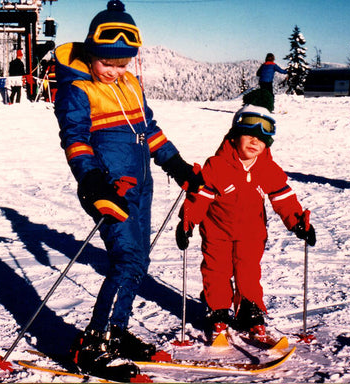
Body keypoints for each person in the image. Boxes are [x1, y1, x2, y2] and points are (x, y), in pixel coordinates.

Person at [53, 0, 204, 381]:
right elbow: (75, 140)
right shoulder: (78, 90)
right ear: (91, 53)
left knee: (138, 263)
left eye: (123, 64)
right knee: (126, 261)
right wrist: (91, 181)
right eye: (108, 63)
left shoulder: (130, 85)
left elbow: (149, 130)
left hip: (142, 188)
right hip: (110, 189)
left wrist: (177, 165)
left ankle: (115, 332)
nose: (115, 72)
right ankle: (95, 342)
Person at [175, 89, 316, 344]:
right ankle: (218, 309)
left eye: (262, 140)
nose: (255, 143)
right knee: (216, 270)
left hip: (252, 233)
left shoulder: (267, 168)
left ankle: (250, 310)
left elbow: (283, 198)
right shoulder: (216, 166)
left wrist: (297, 221)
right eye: (249, 135)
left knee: (249, 272)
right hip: (217, 231)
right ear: (235, 135)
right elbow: (200, 198)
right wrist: (188, 222)